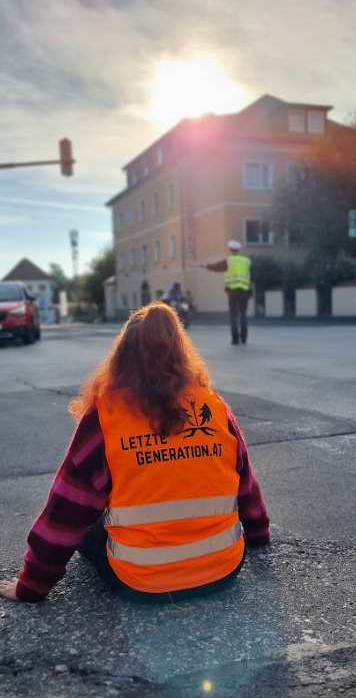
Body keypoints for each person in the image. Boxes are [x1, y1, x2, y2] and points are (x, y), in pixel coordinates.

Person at [0, 302, 270, 605]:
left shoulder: (105, 417)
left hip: (141, 582)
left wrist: (30, 587)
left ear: (122, 357)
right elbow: (246, 485)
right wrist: (260, 537)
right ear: (181, 352)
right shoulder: (214, 407)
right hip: (223, 570)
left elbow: (65, 511)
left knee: (87, 521)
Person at [203, 240, 252, 345]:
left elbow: (217, 267)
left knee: (234, 315)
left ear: (230, 249)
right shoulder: (246, 261)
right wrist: (251, 291)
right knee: (243, 314)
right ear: (238, 250)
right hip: (244, 291)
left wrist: (206, 266)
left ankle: (235, 339)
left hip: (233, 291)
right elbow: (251, 277)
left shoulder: (229, 261)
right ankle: (244, 337)